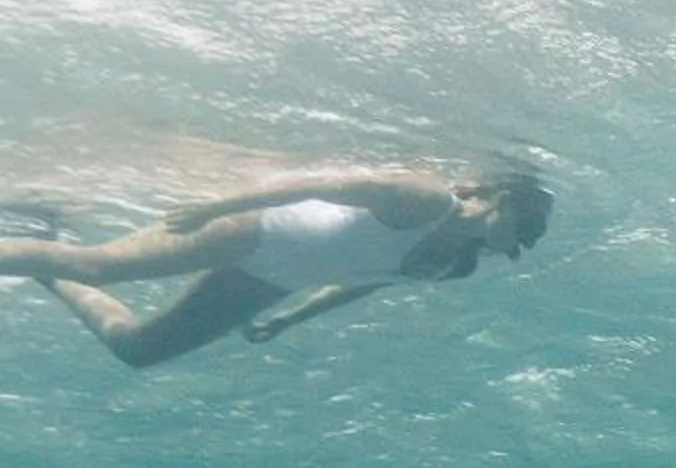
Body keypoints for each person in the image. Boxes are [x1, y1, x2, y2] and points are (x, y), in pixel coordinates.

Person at [0, 165, 551, 368]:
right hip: (257, 229)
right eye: (519, 239)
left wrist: (292, 318)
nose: (510, 252)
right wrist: (222, 206)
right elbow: (325, 184)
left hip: (275, 280)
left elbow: (366, 282)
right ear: (505, 203)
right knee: (99, 267)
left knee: (141, 350)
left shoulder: (453, 263)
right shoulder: (430, 199)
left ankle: (47, 261)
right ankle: (52, 249)